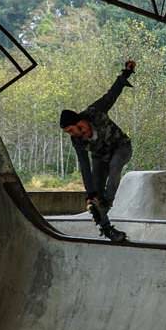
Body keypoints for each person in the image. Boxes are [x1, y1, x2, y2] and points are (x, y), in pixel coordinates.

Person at [60, 60, 136, 242]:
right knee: (96, 194)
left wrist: (125, 74)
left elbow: (110, 96)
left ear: (79, 123)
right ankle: (108, 229)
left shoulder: (95, 111)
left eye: (71, 130)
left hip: (122, 147)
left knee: (115, 166)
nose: (72, 135)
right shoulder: (77, 140)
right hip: (100, 157)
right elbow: (84, 165)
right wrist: (91, 194)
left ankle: (106, 202)